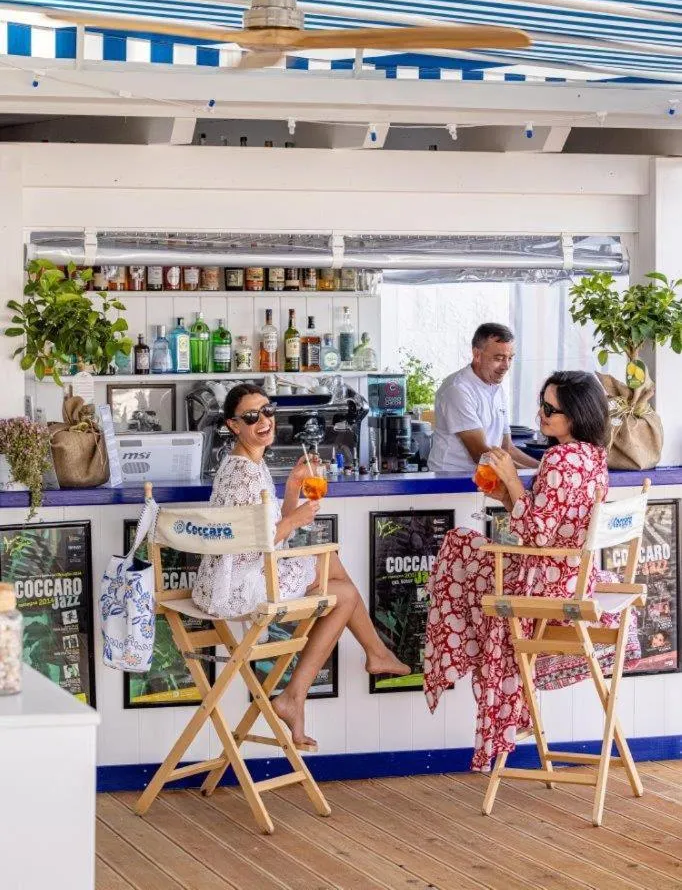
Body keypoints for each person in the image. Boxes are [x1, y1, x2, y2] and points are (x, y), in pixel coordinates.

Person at [424, 370, 639, 772]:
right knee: (468, 554)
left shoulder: (559, 459)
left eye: (549, 408)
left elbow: (535, 535)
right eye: (541, 404)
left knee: (459, 548)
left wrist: (510, 479)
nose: (540, 413)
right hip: (574, 581)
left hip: (544, 591)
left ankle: (467, 667)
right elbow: (542, 523)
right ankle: (478, 668)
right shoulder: (592, 458)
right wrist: (506, 494)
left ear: (575, 413)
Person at [192, 382, 409, 748]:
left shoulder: (249, 465)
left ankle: (305, 691)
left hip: (231, 578)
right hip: (241, 583)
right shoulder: (244, 473)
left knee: (340, 589)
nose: (263, 421)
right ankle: (321, 681)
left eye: (267, 411)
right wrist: (297, 518)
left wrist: (292, 488)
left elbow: (271, 532)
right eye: (251, 416)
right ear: (233, 425)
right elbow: (255, 542)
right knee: (340, 584)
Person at [427, 322, 539, 474]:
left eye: (510, 358)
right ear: (477, 355)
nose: (506, 366)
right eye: (499, 358)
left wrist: (544, 468)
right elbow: (481, 454)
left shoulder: (496, 387)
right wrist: (540, 475)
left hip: (486, 477)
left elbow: (507, 449)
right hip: (451, 481)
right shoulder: (458, 389)